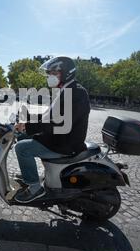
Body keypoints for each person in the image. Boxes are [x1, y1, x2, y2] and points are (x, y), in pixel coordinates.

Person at [13, 57, 91, 203]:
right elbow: (49, 116)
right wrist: (26, 116)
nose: (50, 76)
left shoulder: (76, 93)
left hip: (66, 143)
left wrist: (28, 126)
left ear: (66, 73)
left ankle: (35, 187)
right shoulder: (65, 89)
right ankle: (33, 174)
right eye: (49, 73)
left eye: (54, 73)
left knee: (21, 148)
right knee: (22, 138)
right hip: (59, 138)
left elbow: (58, 123)